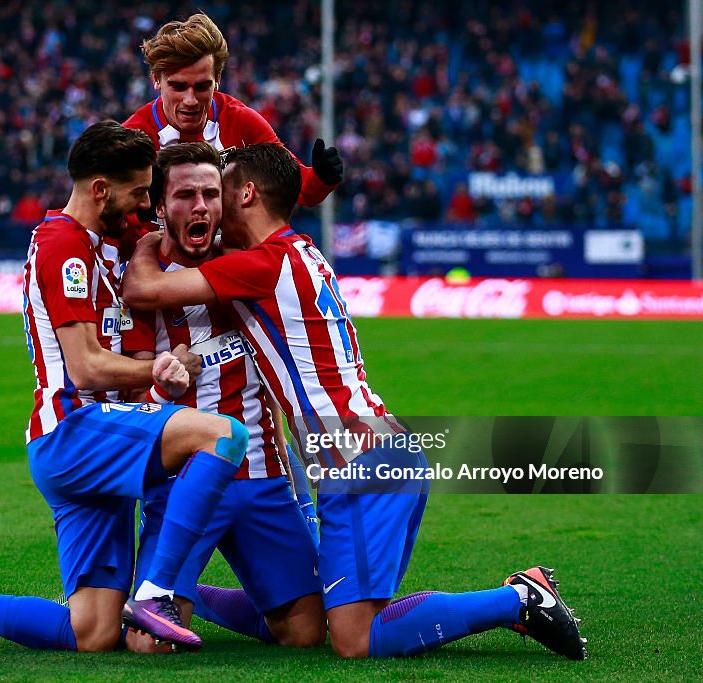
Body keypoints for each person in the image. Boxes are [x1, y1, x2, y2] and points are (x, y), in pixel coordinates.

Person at [122, 143, 587, 661]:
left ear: (247, 194)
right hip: (376, 453)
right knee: (344, 622)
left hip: (360, 463)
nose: (210, 207)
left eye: (220, 191)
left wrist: (144, 240)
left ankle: (517, 599)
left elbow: (142, 289)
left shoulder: (262, 264)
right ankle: (176, 602)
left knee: (356, 639)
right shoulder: (300, 252)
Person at [0, 121, 251, 653]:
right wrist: (156, 370)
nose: (140, 206)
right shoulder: (64, 244)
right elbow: (83, 367)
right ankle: (154, 594)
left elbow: (165, 225)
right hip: (75, 428)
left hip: (91, 445)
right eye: (134, 194)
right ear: (99, 189)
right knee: (224, 437)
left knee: (93, 632)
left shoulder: (107, 238)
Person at [122, 141, 324, 648]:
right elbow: (124, 386)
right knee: (151, 644)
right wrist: (157, 379)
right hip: (185, 482)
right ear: (160, 206)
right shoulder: (139, 280)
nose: (201, 207)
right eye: (185, 195)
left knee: (306, 635)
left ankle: (197, 599)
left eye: (211, 194)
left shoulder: (249, 266)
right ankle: (155, 598)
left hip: (261, 476)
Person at [123, 13, 344, 209]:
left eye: (202, 87)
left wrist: (321, 177)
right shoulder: (133, 136)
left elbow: (299, 187)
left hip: (231, 251)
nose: (190, 100)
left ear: (217, 80)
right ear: (156, 79)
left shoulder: (241, 121)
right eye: (178, 87)